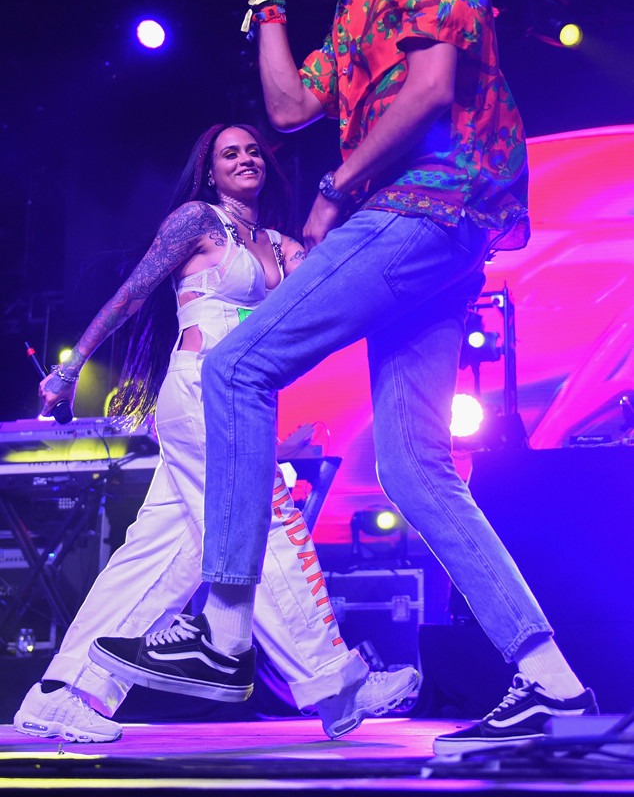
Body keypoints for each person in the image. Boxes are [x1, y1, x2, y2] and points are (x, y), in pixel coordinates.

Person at [90, 0, 598, 755]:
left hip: (423, 211)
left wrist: (334, 186)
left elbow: (433, 89)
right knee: (414, 468)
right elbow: (287, 108)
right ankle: (552, 679)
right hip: (431, 240)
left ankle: (226, 633)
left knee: (236, 366)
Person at [13, 121, 418, 744]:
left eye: (254, 150)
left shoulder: (284, 246)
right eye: (230, 153)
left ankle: (66, 691)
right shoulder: (197, 221)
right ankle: (336, 684)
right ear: (211, 169)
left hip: (243, 402)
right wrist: (72, 366)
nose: (245, 159)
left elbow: (335, 293)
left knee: (162, 558)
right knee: (267, 520)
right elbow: (134, 292)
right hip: (201, 390)